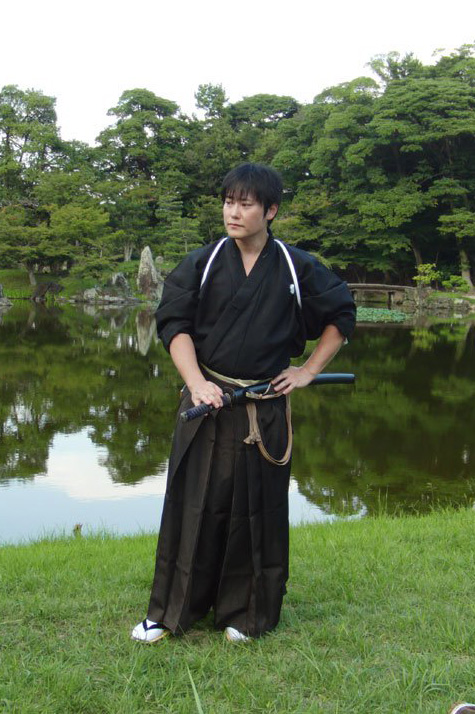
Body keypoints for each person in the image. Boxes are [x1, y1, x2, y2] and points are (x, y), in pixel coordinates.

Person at [131, 163, 356, 643]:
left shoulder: (297, 266)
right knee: (193, 504)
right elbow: (174, 324)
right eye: (228, 202)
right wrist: (196, 383)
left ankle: (247, 615)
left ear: (270, 210)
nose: (233, 212)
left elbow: (341, 314)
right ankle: (169, 612)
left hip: (263, 406)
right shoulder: (204, 262)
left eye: (245, 204)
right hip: (206, 402)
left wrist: (307, 370)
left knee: (258, 510)